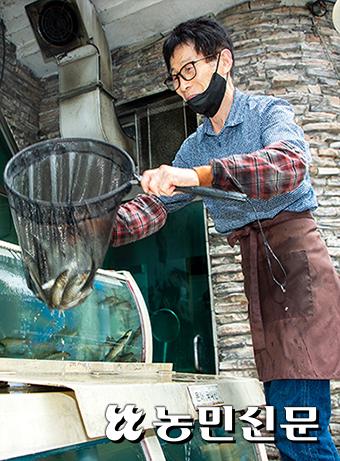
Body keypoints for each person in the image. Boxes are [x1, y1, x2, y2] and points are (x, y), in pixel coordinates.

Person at [111, 18, 340, 460]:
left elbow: (288, 165)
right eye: (174, 78)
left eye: (188, 70)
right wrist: (97, 227)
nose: (181, 86)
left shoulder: (268, 112)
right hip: (256, 271)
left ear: (224, 61)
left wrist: (198, 176)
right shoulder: (194, 147)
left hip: (296, 265)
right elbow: (154, 208)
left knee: (299, 427)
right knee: (287, 417)